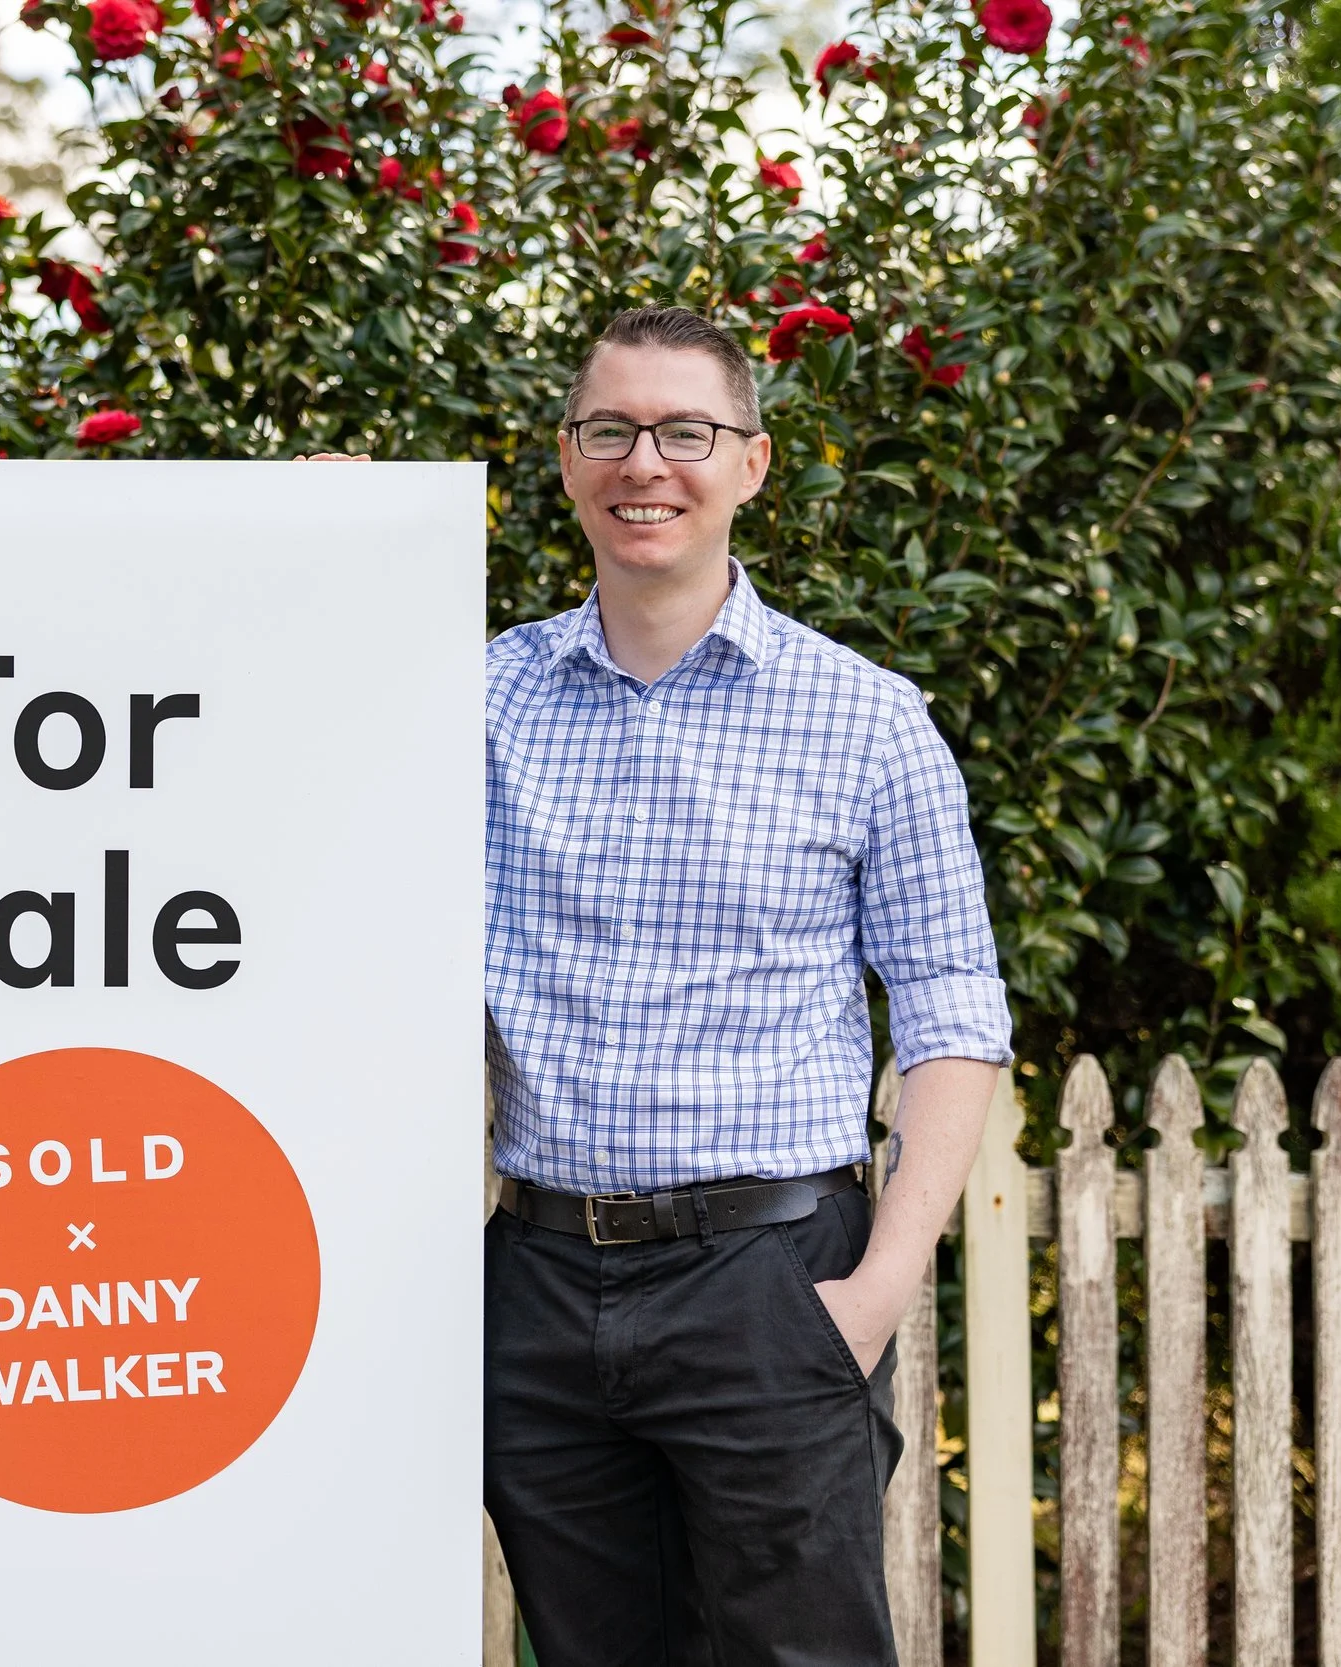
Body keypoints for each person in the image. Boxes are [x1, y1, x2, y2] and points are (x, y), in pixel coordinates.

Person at [477, 305, 1012, 1666]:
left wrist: (877, 1290)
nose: (644, 462)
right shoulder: (474, 702)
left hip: (774, 1280)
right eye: (611, 428)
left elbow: (953, 1009)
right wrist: (321, 545)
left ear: (753, 465)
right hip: (537, 1284)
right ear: (565, 456)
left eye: (686, 432)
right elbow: (298, 739)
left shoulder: (866, 718)